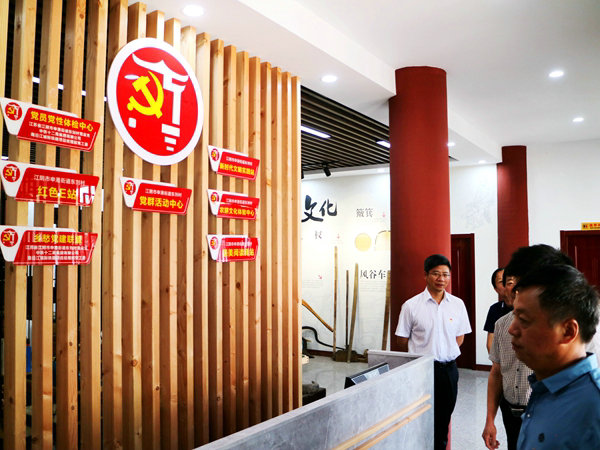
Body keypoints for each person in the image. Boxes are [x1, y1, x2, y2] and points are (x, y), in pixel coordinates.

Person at [482, 244, 573, 450]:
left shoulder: (559, 324)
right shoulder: (502, 324)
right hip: (511, 410)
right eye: (510, 283)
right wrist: (490, 420)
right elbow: (496, 372)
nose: (516, 288)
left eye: (522, 282)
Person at [509, 264, 600, 449]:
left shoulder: (593, 407)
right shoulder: (544, 385)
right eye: (514, 316)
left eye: (524, 320)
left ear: (568, 331)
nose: (512, 329)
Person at [396, 254, 471, 450]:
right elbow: (401, 340)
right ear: (426, 275)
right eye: (436, 274)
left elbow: (460, 338)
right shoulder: (411, 306)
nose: (441, 279)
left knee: (443, 420)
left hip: (448, 371)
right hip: (421, 371)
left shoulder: (457, 304)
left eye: (445, 274)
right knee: (418, 418)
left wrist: (444, 351)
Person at [484, 268, 510, 353]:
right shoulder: (494, 309)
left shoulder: (526, 306)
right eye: (501, 281)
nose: (506, 284)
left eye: (508, 280)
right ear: (496, 289)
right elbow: (490, 342)